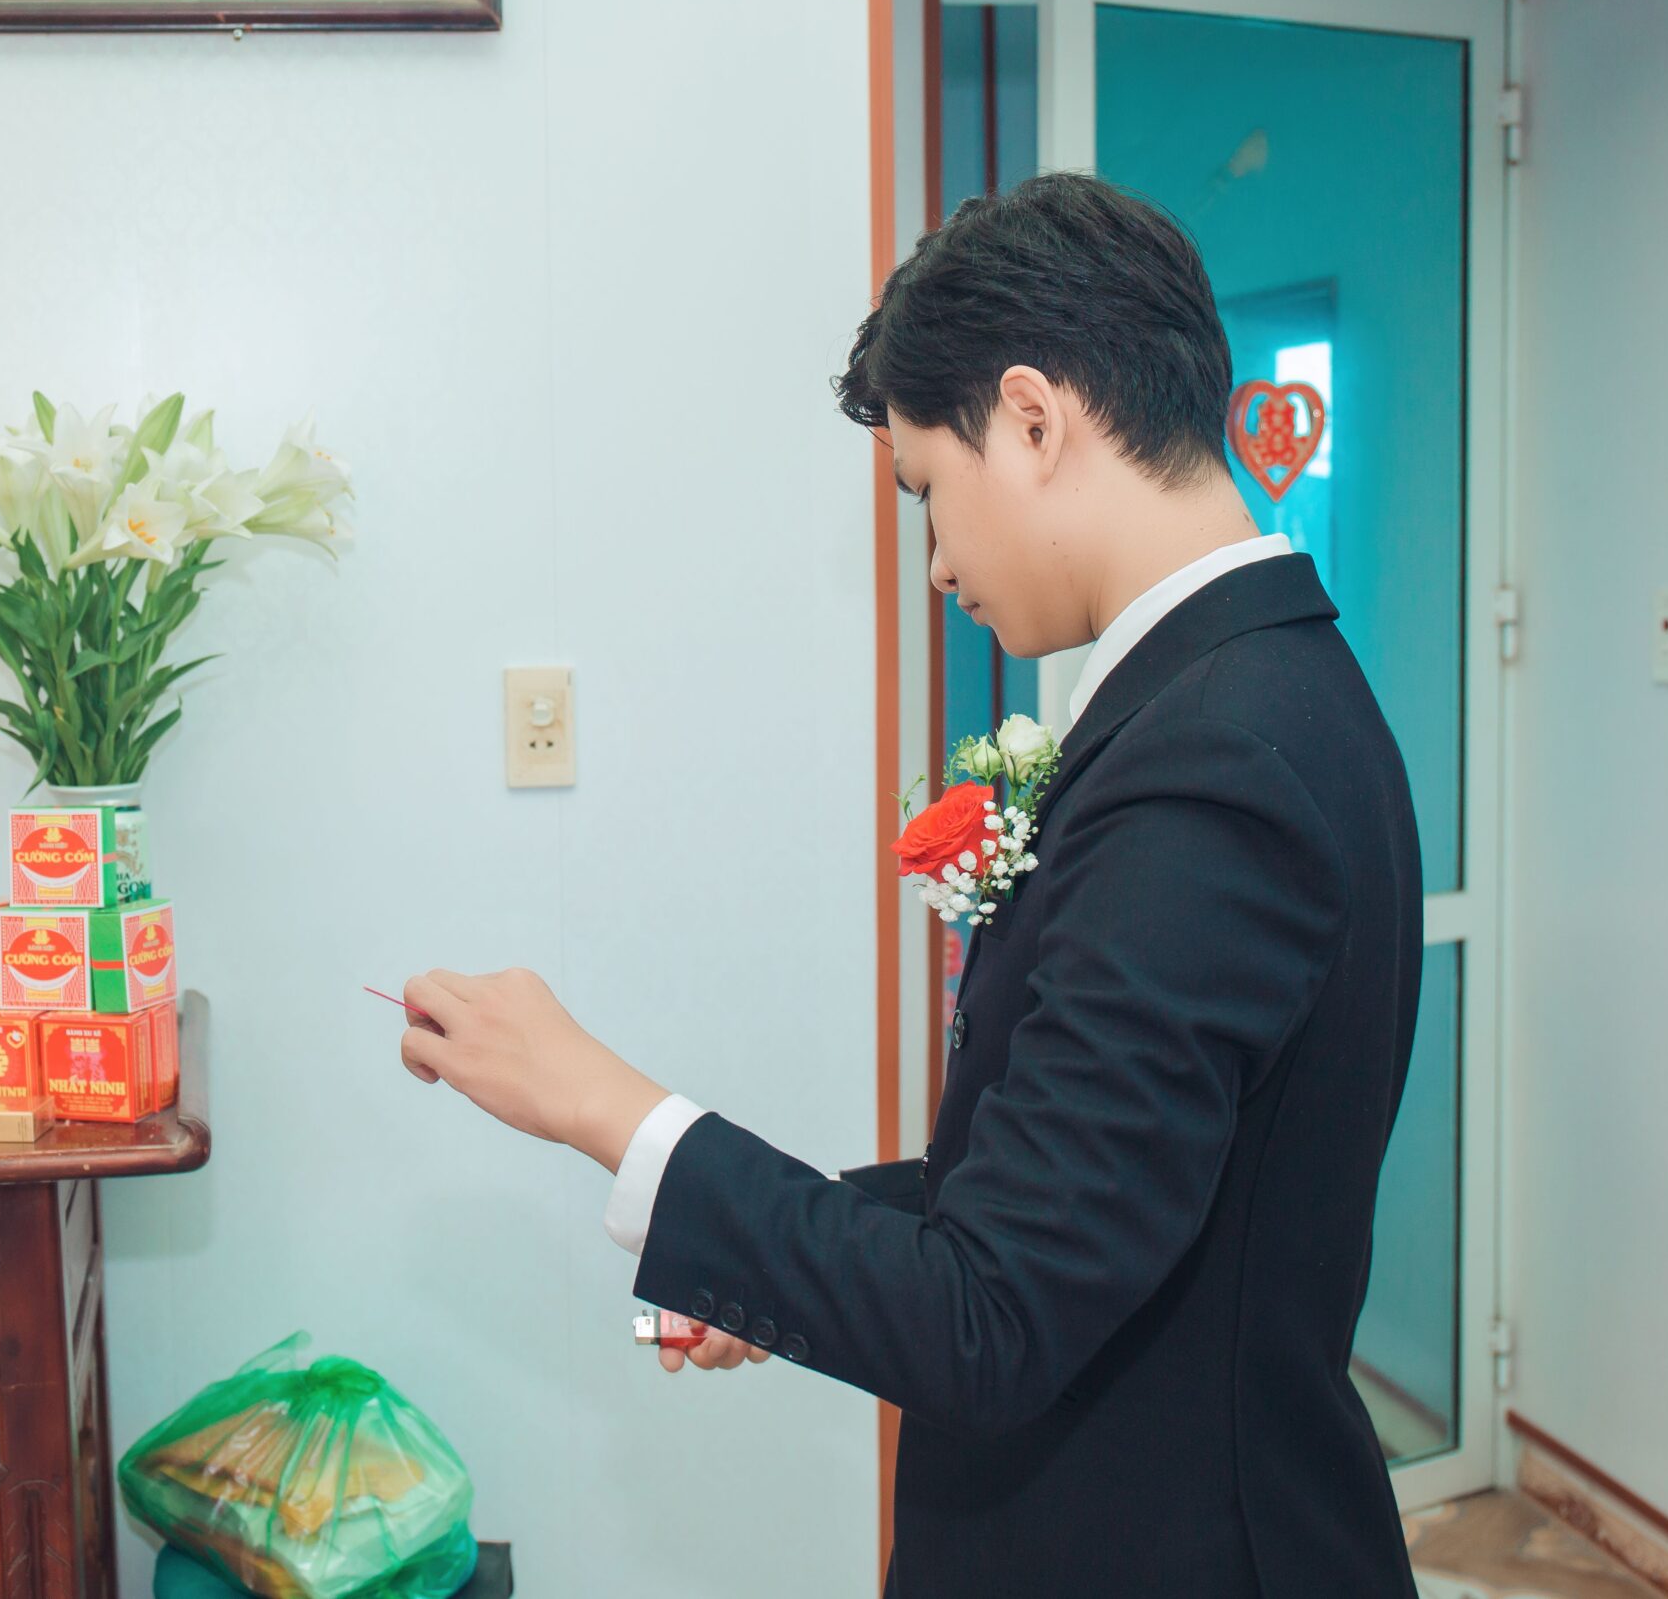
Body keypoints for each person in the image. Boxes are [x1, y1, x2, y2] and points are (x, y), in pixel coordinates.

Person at [397, 172, 1422, 1597]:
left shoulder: (1213, 766)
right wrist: (783, 1242)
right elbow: (1073, 1190)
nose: (936, 563)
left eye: (930, 491)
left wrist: (601, 1103)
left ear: (1034, 419)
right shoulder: (1262, 690)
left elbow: (993, 1316)